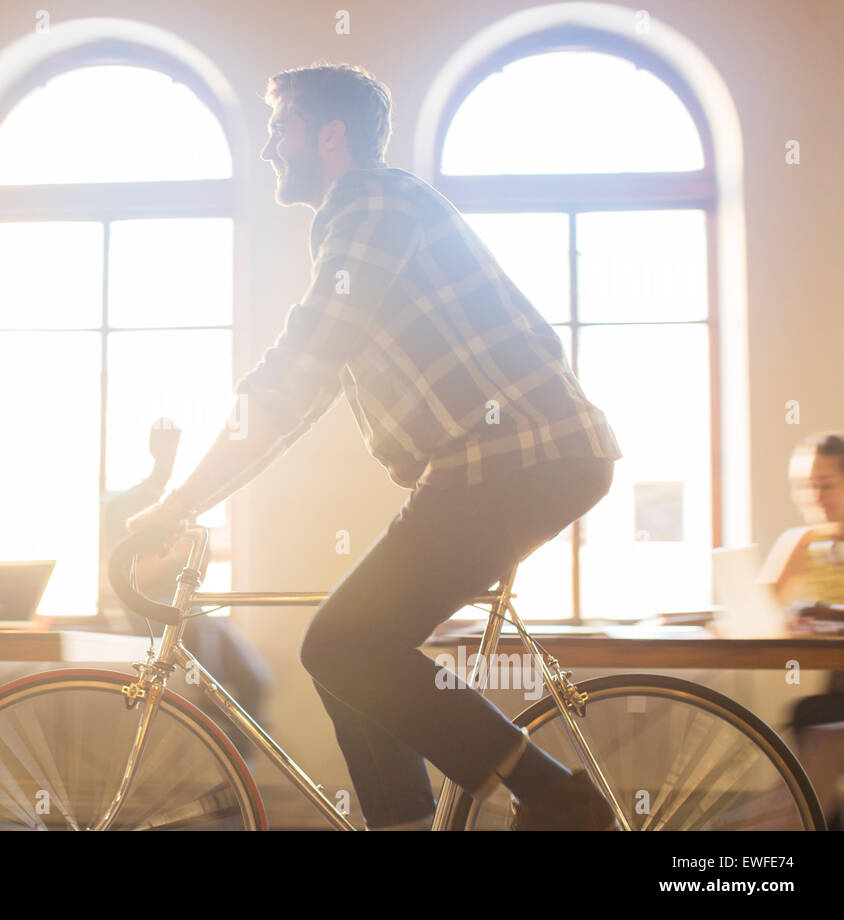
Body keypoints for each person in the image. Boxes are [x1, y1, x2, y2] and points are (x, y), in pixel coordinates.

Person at [127, 63, 622, 830]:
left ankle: (557, 798)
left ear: (330, 135)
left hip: (518, 459)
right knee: (348, 655)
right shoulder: (368, 216)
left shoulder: (370, 203)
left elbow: (300, 368)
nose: (266, 150)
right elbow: (307, 386)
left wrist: (179, 503)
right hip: (507, 463)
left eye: (278, 129)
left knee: (342, 643)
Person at [100, 419, 274, 759]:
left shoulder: (185, 507)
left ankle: (237, 780)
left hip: (187, 610)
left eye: (175, 446)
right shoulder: (124, 505)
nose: (170, 454)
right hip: (147, 608)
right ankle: (207, 710)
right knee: (198, 639)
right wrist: (172, 557)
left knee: (257, 682)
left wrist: (197, 557)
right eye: (165, 446)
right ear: (152, 447)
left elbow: (196, 579)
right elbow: (124, 577)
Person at [758, 432, 844, 830]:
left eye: (824, 485)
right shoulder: (806, 543)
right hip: (836, 695)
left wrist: (826, 615)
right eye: (804, 487)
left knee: (826, 727)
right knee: (815, 717)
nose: (813, 497)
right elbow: (758, 611)